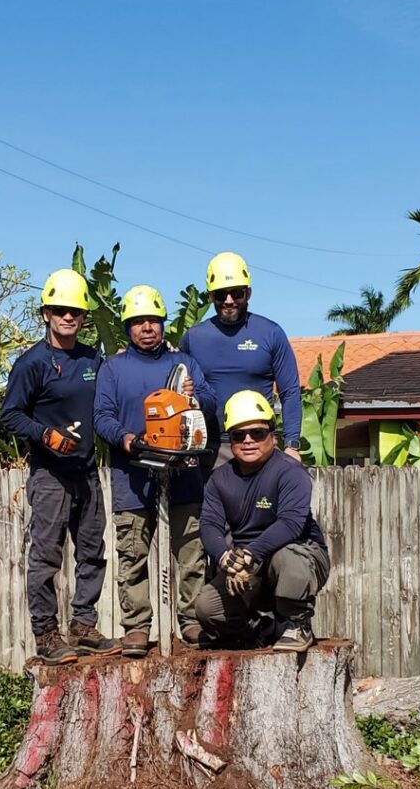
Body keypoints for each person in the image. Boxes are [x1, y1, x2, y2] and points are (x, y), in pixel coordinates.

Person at [0, 268, 120, 663]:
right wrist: (44, 434)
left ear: (84, 316)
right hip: (50, 475)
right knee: (47, 557)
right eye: (60, 310)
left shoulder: (92, 360)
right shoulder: (32, 363)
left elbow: (113, 396)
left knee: (92, 551)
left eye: (75, 311)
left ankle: (84, 626)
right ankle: (47, 635)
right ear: (46, 314)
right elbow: (10, 415)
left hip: (86, 472)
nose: (68, 317)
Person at [93, 285, 216, 657]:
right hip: (133, 476)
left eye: (154, 321)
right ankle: (136, 627)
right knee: (133, 555)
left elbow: (211, 404)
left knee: (191, 551)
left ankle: (192, 620)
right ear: (129, 326)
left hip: (185, 475)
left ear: (163, 324)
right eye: (139, 321)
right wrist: (126, 438)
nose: (147, 328)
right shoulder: (113, 369)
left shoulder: (183, 364)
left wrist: (195, 396)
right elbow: (102, 416)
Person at [195, 390, 330, 652]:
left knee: (286, 556)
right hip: (248, 564)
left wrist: (249, 553)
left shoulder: (290, 472)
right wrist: (225, 557)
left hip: (299, 553)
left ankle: (296, 622)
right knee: (207, 607)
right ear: (230, 440)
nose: (248, 440)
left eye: (257, 433)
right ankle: (260, 628)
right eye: (238, 435)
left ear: (272, 434)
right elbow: (209, 524)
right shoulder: (220, 478)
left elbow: (291, 523)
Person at [179, 251, 303, 468]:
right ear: (210, 297)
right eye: (220, 295)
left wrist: (292, 445)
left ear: (248, 293)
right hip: (211, 449)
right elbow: (176, 385)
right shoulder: (194, 338)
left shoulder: (270, 333)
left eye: (236, 293)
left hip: (259, 445)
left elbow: (290, 391)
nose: (228, 301)